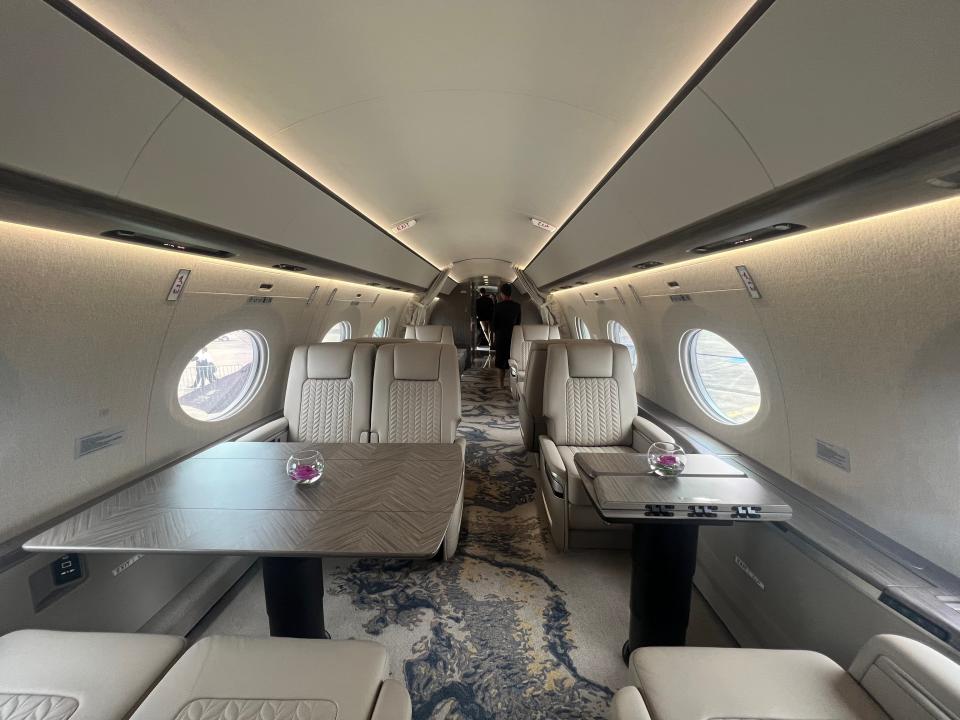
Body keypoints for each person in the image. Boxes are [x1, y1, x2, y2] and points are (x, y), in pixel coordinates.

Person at [491, 282, 522, 388]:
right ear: (510, 294)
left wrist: (494, 335)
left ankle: (501, 384)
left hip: (500, 336)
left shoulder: (497, 306)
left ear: (502, 294)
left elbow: (494, 324)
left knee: (500, 361)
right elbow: (518, 324)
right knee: (512, 359)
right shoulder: (517, 306)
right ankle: (512, 383)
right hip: (513, 336)